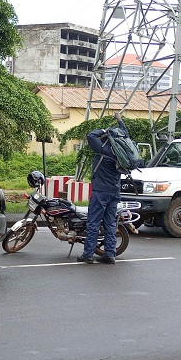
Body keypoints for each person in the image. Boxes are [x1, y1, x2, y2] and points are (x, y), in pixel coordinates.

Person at [78, 111, 127, 264]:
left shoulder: (103, 149)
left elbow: (91, 135)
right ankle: (110, 254)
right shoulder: (121, 152)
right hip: (114, 191)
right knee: (110, 223)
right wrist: (119, 120)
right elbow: (125, 132)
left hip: (100, 192)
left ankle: (88, 255)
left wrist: (104, 130)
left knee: (93, 222)